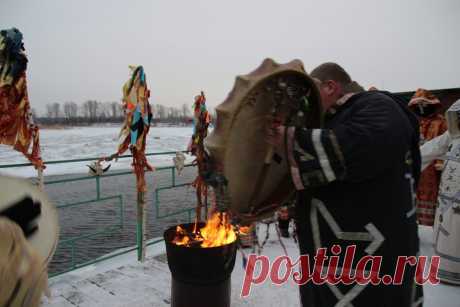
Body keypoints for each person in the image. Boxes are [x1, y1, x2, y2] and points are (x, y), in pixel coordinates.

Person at [267, 62, 423, 306]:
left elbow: (363, 145)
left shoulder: (378, 104)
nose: (306, 103)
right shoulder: (337, 118)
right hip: (338, 256)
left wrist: (288, 139)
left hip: (371, 256)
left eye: (311, 92)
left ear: (330, 87)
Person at [421, 99, 460, 285]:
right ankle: (446, 270)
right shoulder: (453, 136)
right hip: (448, 199)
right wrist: (408, 160)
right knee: (448, 232)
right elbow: (430, 149)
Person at [408, 89, 447, 226]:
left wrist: (441, 162)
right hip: (416, 166)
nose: (421, 109)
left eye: (424, 105)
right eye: (418, 106)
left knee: (431, 197)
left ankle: (431, 226)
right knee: (415, 195)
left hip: (433, 170)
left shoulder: (441, 122)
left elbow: (446, 144)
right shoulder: (415, 123)